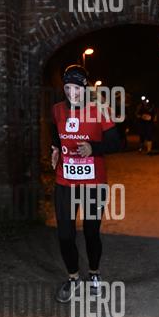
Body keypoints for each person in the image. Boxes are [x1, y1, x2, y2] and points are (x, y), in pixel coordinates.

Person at [50, 65, 121, 303]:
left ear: (85, 87)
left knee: (91, 232)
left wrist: (93, 148)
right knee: (65, 235)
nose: (72, 93)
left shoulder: (100, 109)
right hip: (65, 181)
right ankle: (73, 278)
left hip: (93, 183)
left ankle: (94, 274)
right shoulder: (58, 110)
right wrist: (55, 148)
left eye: (76, 88)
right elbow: (55, 132)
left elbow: (117, 144)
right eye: (67, 88)